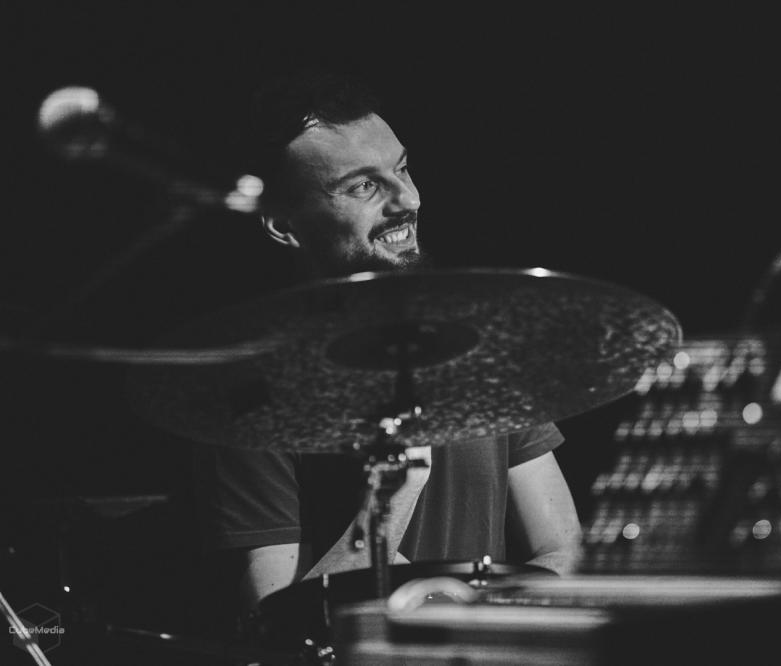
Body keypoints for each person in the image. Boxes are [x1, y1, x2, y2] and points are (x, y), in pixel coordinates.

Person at [193, 71, 582, 612]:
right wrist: (389, 503)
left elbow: (563, 550)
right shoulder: (254, 391)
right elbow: (274, 615)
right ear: (284, 225)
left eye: (401, 169)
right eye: (363, 186)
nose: (409, 199)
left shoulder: (482, 350)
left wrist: (479, 624)